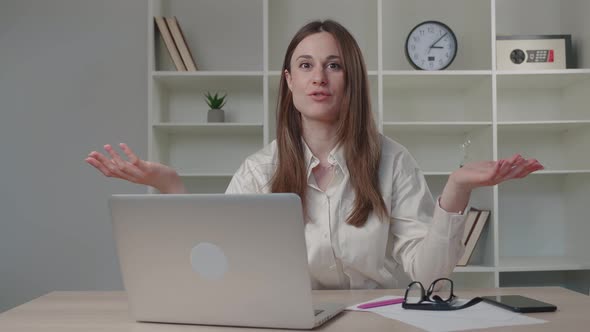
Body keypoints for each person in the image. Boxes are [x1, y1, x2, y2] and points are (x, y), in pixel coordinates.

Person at [86, 20, 543, 290]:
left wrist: (457, 190)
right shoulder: (258, 171)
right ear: (289, 81)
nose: (319, 77)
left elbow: (428, 276)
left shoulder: (394, 162)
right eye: (305, 65)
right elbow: (217, 266)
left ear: (351, 80)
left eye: (334, 65)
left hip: (379, 321)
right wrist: (172, 188)